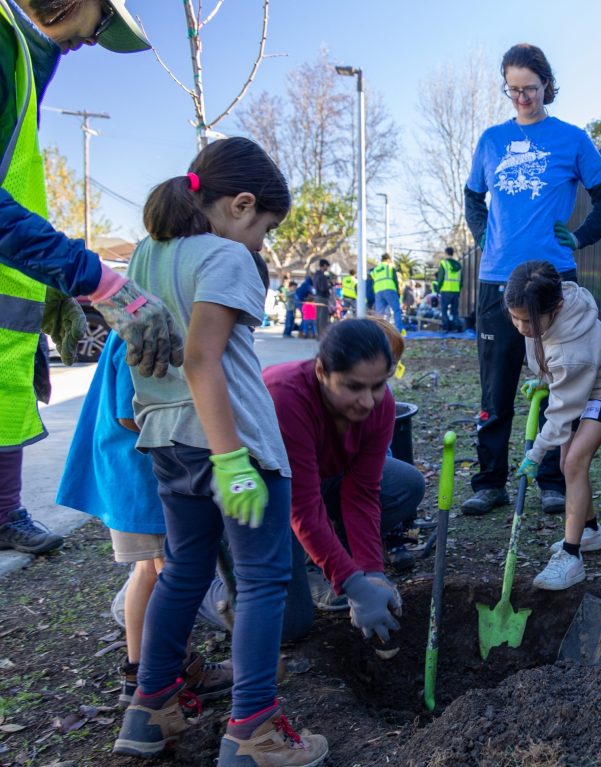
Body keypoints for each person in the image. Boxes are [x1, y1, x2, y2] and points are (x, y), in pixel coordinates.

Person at [111, 137, 328, 766]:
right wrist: (233, 460)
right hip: (229, 443)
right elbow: (202, 358)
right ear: (240, 205)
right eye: (264, 227)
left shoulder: (151, 253)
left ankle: (151, 708)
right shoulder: (226, 257)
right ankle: (253, 730)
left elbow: (143, 346)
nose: (262, 243)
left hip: (167, 441)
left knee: (182, 570)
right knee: (261, 581)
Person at [0, 0, 184, 557]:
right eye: (103, 20)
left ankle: (4, 511)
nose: (94, 39)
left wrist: (54, 283)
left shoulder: (24, 60)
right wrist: (101, 283)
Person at [463, 43, 601, 516]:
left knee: (558, 379)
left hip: (553, 281)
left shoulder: (572, 139)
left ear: (547, 86)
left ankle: (553, 479)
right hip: (497, 282)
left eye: (529, 89)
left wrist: (579, 236)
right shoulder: (490, 140)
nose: (522, 99)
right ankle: (490, 481)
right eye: (513, 91)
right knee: (496, 386)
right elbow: (473, 197)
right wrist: (483, 236)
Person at [54, 331, 232, 708]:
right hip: (141, 476)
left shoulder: (137, 326)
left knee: (152, 572)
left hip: (132, 474)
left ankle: (143, 674)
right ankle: (165, 675)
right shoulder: (144, 332)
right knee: (172, 574)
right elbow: (129, 414)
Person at [263, 320, 422, 639]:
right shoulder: (286, 397)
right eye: (353, 387)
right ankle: (218, 587)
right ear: (321, 371)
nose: (368, 401)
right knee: (287, 626)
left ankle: (315, 560)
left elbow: (362, 493)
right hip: (261, 495)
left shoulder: (381, 404)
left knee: (405, 484)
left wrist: (372, 573)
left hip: (317, 482)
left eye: (378, 385)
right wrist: (353, 585)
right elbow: (303, 508)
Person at [505, 261, 601, 589]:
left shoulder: (571, 349)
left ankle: (571, 555)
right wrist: (545, 380)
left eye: (528, 320)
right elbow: (547, 359)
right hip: (577, 383)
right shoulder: (540, 308)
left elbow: (562, 412)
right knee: (566, 463)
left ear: (558, 307)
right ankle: (590, 530)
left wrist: (535, 454)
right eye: (515, 317)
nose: (521, 327)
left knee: (575, 461)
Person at [370, 253, 404, 334]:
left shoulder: (375, 270)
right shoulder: (390, 267)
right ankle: (398, 331)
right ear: (388, 259)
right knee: (396, 310)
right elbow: (395, 279)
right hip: (390, 290)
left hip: (378, 291)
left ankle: (379, 331)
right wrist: (398, 292)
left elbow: (372, 281)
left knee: (379, 313)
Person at [435, 246, 463, 332]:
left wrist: (438, 289)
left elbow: (441, 277)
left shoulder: (444, 263)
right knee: (455, 311)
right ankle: (456, 328)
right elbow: (461, 279)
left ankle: (446, 328)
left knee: (444, 310)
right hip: (456, 291)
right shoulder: (458, 264)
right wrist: (459, 289)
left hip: (446, 290)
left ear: (446, 253)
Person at [311, 259, 333, 339]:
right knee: (323, 317)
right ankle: (323, 336)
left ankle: (318, 334)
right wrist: (330, 286)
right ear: (324, 265)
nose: (327, 268)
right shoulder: (322, 276)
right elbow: (324, 288)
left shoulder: (316, 275)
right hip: (323, 297)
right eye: (326, 266)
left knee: (318, 316)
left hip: (317, 297)